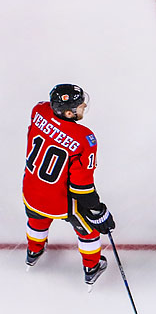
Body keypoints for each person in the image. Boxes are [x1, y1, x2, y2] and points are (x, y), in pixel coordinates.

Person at [23, 84, 115, 285]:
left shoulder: (39, 110)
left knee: (37, 219)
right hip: (60, 201)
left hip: (31, 190)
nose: (83, 106)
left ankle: (33, 250)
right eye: (80, 105)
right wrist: (98, 211)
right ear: (68, 112)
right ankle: (92, 266)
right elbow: (81, 187)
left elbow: (48, 122)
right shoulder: (84, 138)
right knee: (88, 229)